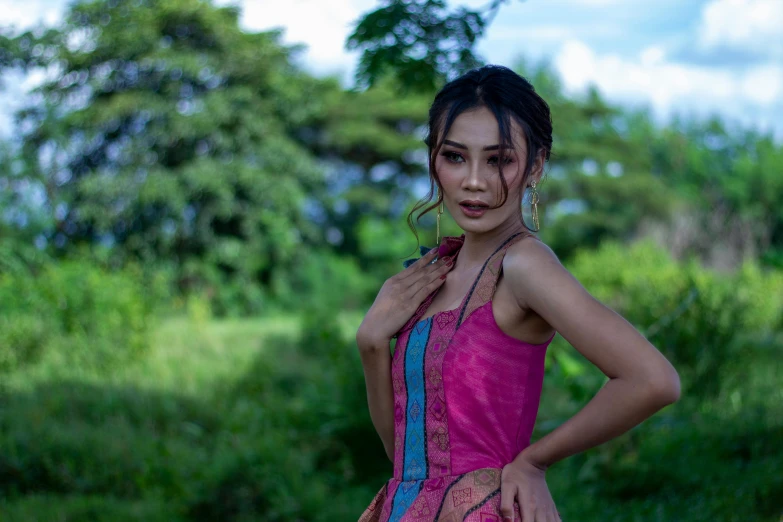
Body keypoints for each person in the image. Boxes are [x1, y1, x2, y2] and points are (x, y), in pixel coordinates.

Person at [355, 64, 680, 522]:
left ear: (536, 165)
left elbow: (653, 380)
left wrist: (534, 461)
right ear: (433, 160)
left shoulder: (523, 265)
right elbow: (406, 460)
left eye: (499, 160)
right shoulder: (433, 273)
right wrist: (371, 345)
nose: (474, 181)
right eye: (454, 156)